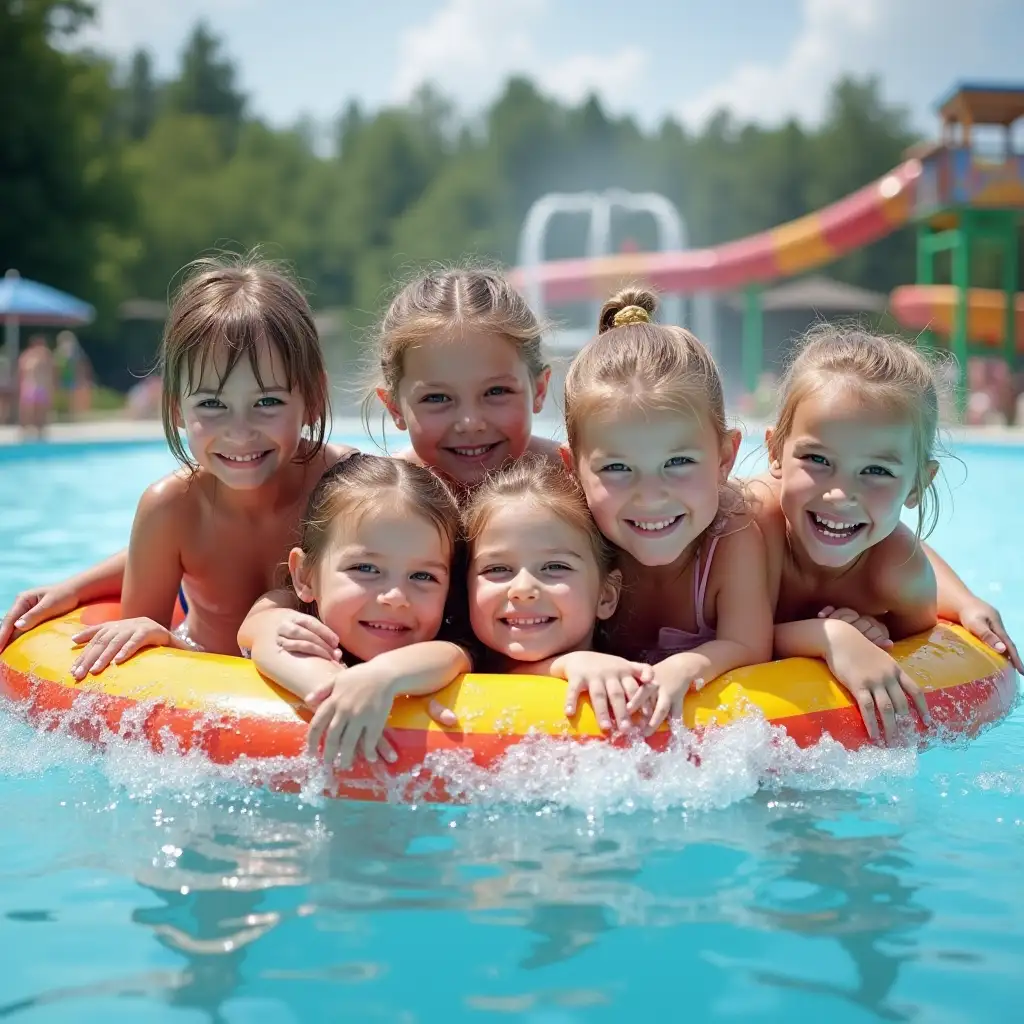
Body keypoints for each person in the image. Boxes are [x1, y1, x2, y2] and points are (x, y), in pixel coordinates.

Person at [5, 252, 355, 670]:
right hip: (203, 671)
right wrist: (155, 635)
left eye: (267, 401)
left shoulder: (348, 488)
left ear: (314, 398)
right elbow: (137, 665)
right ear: (175, 408)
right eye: (211, 403)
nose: (239, 431)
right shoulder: (171, 508)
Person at [751, 324, 1019, 744]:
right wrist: (829, 636)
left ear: (917, 484)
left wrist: (886, 627)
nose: (839, 494)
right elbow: (713, 632)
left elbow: (906, 571)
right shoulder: (749, 528)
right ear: (775, 452)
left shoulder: (899, 578)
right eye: (817, 458)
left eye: (876, 471)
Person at [560, 288, 774, 734]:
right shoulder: (567, 535)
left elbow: (749, 645)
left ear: (724, 458)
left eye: (678, 463)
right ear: (572, 468)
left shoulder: (732, 533)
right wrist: (568, 663)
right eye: (617, 468)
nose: (650, 495)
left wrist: (689, 667)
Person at [246, 454, 469, 768]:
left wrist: (382, 676)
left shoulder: (453, 636)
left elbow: (454, 655)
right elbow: (266, 636)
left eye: (423, 576)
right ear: (304, 575)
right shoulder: (287, 610)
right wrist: (339, 692)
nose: (395, 597)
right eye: (366, 568)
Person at [463, 458, 655, 732]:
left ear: (607, 595)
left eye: (555, 567)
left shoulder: (636, 678)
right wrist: (563, 665)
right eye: (497, 568)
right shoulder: (449, 667)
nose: (523, 590)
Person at [366, 267, 561, 491]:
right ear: (394, 407)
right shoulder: (382, 502)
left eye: (496, 391)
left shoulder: (579, 482)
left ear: (539, 390)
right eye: (437, 398)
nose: (470, 423)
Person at [17, 334, 55, 438]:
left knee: (41, 411)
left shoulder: (46, 356)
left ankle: (40, 432)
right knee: (27, 411)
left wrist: (51, 387)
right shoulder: (27, 356)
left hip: (41, 386)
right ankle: (25, 431)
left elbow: (51, 373)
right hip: (29, 386)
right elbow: (21, 372)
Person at [54, 330, 93, 419]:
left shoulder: (75, 353)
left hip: (72, 378)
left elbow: (81, 366)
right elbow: (56, 367)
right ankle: (65, 413)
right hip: (64, 378)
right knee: (65, 397)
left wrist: (82, 378)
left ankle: (71, 414)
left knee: (72, 397)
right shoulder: (60, 353)